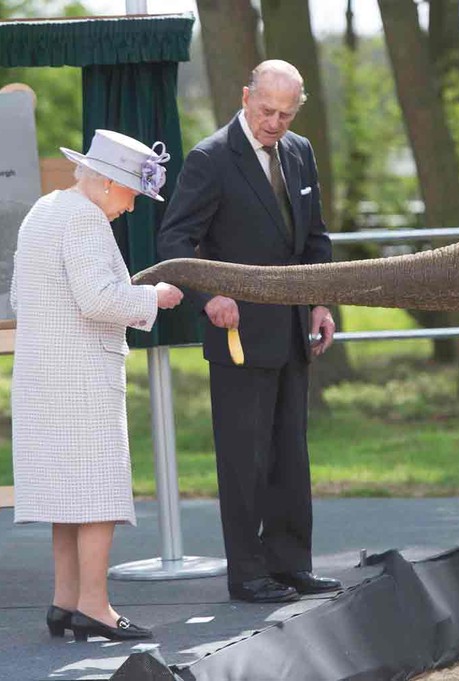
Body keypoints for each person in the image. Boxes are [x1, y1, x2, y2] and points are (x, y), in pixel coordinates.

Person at [157, 60, 341, 604]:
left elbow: (315, 240)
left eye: (286, 113)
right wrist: (209, 294)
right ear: (245, 97)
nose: (274, 123)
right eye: (266, 111)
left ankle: (291, 564)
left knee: (291, 452)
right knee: (245, 458)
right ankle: (249, 573)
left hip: (291, 330)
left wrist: (320, 303)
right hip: (236, 334)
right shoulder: (211, 158)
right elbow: (174, 241)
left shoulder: (300, 152)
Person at [10, 129, 183, 641]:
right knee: (98, 494)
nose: (132, 208)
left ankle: (65, 601)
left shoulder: (45, 209)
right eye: (132, 193)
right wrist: (155, 297)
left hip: (43, 373)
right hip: (82, 375)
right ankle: (94, 604)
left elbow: (21, 296)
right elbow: (98, 300)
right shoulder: (86, 218)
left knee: (68, 494)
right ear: (108, 183)